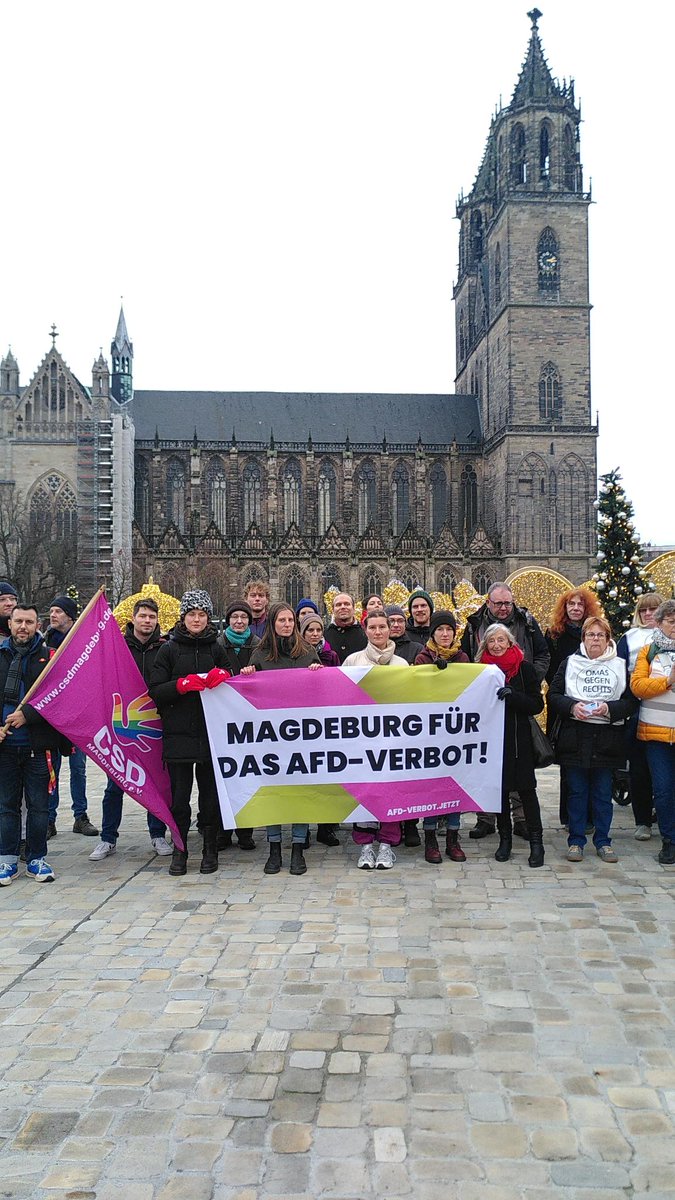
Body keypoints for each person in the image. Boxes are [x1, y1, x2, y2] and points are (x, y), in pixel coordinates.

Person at [149, 589, 232, 877]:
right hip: (178, 734)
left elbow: (232, 683)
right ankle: (180, 850)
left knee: (209, 798)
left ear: (208, 617)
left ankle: (210, 849)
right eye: (192, 614)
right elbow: (155, 691)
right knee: (180, 800)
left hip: (211, 736)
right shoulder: (168, 649)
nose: (197, 619)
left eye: (202, 614)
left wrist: (226, 677)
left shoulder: (216, 647)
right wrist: (181, 685)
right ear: (183, 617)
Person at [462, 582, 550, 840]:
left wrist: (528, 678)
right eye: (498, 603)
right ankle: (486, 818)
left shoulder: (527, 622)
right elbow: (467, 660)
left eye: (507, 603)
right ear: (488, 602)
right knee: (486, 763)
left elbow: (543, 654)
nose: (503, 608)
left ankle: (521, 819)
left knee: (520, 765)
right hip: (488, 710)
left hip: (518, 703)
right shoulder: (473, 624)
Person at [241, 603, 322, 875]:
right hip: (270, 737)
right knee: (273, 792)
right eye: (281, 620)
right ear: (272, 623)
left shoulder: (307, 652)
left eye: (290, 620)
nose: (287, 624)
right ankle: (274, 848)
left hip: (301, 736)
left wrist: (317, 674)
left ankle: (298, 847)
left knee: (299, 791)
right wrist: (248, 675)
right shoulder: (260, 654)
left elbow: (324, 691)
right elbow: (247, 694)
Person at [89, 598, 172, 861]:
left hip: (153, 725)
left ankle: (157, 834)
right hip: (120, 723)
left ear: (157, 621)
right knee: (115, 784)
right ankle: (108, 838)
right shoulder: (118, 648)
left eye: (151, 617)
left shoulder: (165, 648)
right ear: (133, 619)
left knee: (155, 784)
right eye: (143, 616)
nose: (147, 621)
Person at [549, 615, 635, 864]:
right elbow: (554, 695)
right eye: (590, 635)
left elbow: (630, 701)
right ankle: (576, 841)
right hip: (575, 738)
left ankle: (603, 841)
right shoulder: (570, 663)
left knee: (601, 794)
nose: (595, 639)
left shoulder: (619, 665)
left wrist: (609, 709)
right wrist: (572, 706)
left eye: (600, 635)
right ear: (583, 638)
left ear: (608, 639)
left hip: (607, 740)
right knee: (576, 792)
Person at [0, 604, 71, 884]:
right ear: (10, 623)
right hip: (6, 748)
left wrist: (28, 715)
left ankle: (36, 858)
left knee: (40, 806)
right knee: (6, 806)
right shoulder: (1, 656)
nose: (23, 627)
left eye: (29, 622)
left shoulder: (49, 659)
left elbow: (59, 700)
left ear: (37, 625)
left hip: (38, 747)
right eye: (18, 621)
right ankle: (6, 860)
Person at [476, 623, 546, 867]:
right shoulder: (480, 671)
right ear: (485, 645)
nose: (496, 645)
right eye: (491, 641)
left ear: (509, 643)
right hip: (492, 742)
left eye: (500, 640)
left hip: (519, 740)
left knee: (527, 791)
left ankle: (537, 843)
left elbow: (537, 704)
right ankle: (504, 840)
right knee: (500, 792)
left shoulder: (524, 669)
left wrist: (513, 696)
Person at [344, 609, 408, 870]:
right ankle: (365, 845)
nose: (378, 632)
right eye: (373, 627)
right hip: (362, 741)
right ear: (365, 630)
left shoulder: (401, 665)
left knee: (390, 792)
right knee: (365, 793)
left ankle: (387, 845)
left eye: (383, 627)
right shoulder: (353, 661)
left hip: (391, 741)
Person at [414, 610, 470, 864]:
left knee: (453, 786)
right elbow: (415, 692)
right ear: (433, 633)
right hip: (430, 734)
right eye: (440, 630)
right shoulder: (422, 657)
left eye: (449, 629)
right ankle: (431, 840)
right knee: (431, 787)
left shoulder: (463, 657)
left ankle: (453, 838)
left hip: (456, 733)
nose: (445, 634)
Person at [545, 586, 603, 826]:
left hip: (594, 706)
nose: (576, 608)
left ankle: (589, 816)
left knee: (593, 762)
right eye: (571, 605)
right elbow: (548, 668)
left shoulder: (597, 634)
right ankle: (569, 816)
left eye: (580, 604)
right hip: (565, 706)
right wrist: (568, 695)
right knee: (568, 765)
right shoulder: (554, 635)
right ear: (564, 608)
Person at [45, 595, 98, 839]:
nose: (53, 615)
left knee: (78, 769)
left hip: (77, 717)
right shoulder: (44, 644)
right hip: (51, 718)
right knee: (51, 769)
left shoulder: (83, 643)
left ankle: (80, 816)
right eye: (51, 611)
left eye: (58, 611)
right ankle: (49, 819)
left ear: (70, 616)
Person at [630, 599, 675, 865]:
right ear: (658, 623)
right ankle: (669, 840)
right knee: (664, 790)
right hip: (656, 734)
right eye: (670, 621)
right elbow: (638, 687)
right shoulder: (649, 651)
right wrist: (666, 682)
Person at [214, 599, 261, 852]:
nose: (240, 621)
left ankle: (245, 831)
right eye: (235, 617)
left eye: (244, 617)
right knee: (225, 775)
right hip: (222, 717)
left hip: (250, 718)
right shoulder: (218, 644)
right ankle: (223, 830)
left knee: (248, 775)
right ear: (228, 620)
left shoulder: (257, 645)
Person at [617, 593, 664, 841]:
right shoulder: (629, 638)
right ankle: (643, 820)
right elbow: (621, 674)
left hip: (667, 711)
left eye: (653, 610)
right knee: (639, 769)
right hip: (638, 709)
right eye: (644, 610)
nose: (648, 615)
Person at [299, 612, 341, 846]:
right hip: (303, 723)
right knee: (305, 779)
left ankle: (326, 828)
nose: (314, 634)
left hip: (326, 721)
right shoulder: (295, 655)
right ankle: (302, 829)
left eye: (317, 630)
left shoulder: (331, 655)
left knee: (327, 778)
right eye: (309, 631)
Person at [324, 593, 367, 663]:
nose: (343, 607)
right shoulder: (324, 636)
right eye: (338, 605)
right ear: (332, 610)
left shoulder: (366, 633)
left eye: (347, 604)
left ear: (353, 608)